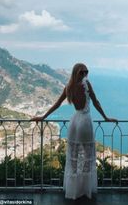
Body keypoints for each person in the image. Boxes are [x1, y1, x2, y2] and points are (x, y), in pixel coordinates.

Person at [31, 63, 117, 200]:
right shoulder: (86, 85)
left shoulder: (69, 87)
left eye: (86, 72)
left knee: (74, 156)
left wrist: (43, 117)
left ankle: (74, 189)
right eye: (82, 72)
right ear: (76, 72)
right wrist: (105, 117)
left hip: (74, 122)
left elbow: (57, 104)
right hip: (85, 122)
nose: (84, 75)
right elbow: (96, 102)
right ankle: (84, 189)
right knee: (88, 156)